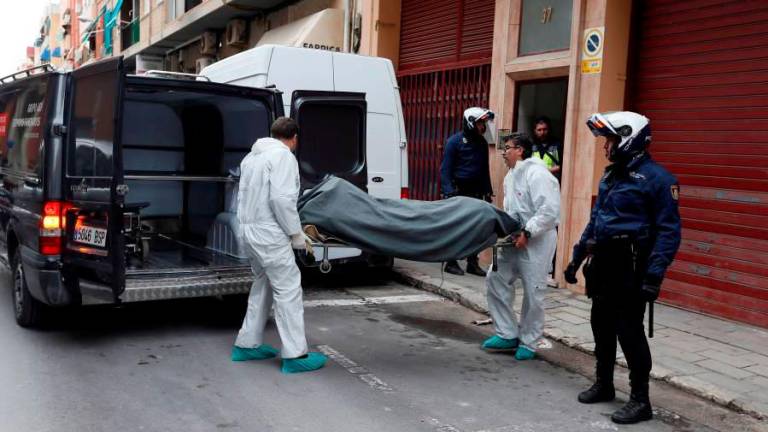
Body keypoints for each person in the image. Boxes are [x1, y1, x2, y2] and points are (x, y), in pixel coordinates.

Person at [564, 111, 681, 424]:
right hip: (602, 261)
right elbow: (596, 220)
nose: (607, 146)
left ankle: (641, 401)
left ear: (631, 138)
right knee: (600, 325)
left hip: (631, 266)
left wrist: (655, 275)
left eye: (612, 139)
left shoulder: (660, 180)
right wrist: (575, 258)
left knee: (629, 332)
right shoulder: (610, 175)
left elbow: (669, 232)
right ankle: (603, 384)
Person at [232, 117, 327, 374]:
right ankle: (295, 355)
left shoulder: (251, 158)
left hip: (248, 230)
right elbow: (282, 200)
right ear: (294, 138)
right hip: (269, 234)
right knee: (288, 289)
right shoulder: (283, 157)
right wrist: (296, 233)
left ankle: (247, 344)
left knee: (263, 285)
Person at [482, 132, 560, 361]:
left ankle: (529, 341)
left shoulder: (538, 175)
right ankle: (507, 332)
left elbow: (549, 211)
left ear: (521, 150)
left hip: (537, 242)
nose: (503, 153)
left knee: (534, 292)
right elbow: (512, 210)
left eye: (507, 148)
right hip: (512, 239)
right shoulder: (510, 176)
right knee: (494, 276)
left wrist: (528, 232)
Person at [440, 107, 496, 277]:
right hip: (458, 191)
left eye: (484, 122)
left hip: (476, 192)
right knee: (456, 229)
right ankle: (451, 262)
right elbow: (445, 170)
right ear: (471, 122)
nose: (483, 126)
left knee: (476, 229)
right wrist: (449, 192)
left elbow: (484, 170)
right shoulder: (454, 142)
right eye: (480, 122)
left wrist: (487, 192)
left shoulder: (482, 143)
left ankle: (472, 263)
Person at [531, 116, 563, 181]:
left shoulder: (557, 145)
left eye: (545, 129)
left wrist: (546, 171)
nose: (542, 132)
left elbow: (564, 166)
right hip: (535, 184)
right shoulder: (532, 146)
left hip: (551, 184)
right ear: (535, 131)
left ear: (549, 129)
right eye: (539, 130)